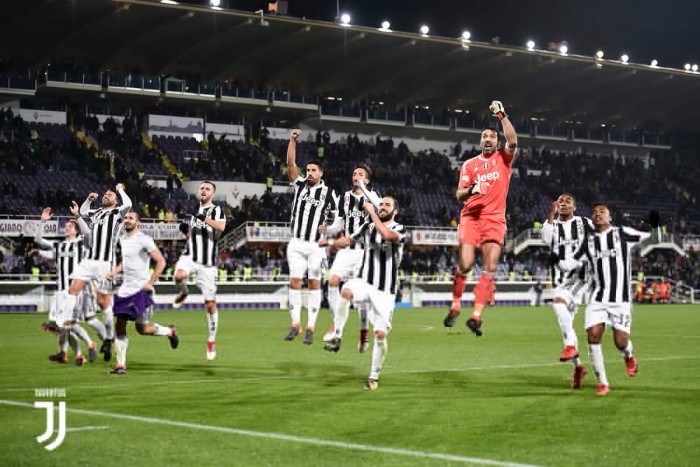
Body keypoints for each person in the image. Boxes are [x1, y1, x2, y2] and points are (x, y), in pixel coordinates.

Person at [560, 205, 659, 396]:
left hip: (620, 300)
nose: (597, 214)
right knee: (593, 336)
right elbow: (570, 262)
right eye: (594, 213)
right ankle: (603, 383)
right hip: (597, 298)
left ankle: (628, 355)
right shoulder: (587, 242)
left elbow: (653, 240)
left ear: (609, 217)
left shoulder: (623, 234)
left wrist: (655, 227)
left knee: (620, 342)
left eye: (601, 212)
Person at [443, 101, 518, 336]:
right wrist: (473, 189)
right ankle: (456, 303)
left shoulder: (504, 160)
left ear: (497, 142)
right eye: (484, 136)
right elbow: (458, 194)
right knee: (465, 264)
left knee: (490, 267)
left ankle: (476, 315)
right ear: (480, 141)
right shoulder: (469, 164)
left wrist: (501, 115)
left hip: (495, 219)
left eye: (492, 137)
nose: (487, 139)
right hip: (471, 217)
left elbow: (513, 141)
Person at [322, 196, 407, 391]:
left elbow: (386, 234)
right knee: (346, 291)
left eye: (387, 205)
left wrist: (371, 212)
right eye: (381, 204)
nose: (383, 207)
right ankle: (337, 334)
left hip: (385, 291)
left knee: (380, 335)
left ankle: (374, 375)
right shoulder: (367, 226)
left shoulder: (400, 229)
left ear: (395, 211)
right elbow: (350, 239)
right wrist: (329, 243)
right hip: (365, 282)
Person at [58, 184, 132, 362]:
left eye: (110, 195)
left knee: (103, 302)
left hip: (105, 262)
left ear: (116, 200)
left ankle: (108, 338)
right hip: (89, 260)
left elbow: (128, 205)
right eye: (105, 194)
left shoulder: (118, 213)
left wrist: (120, 189)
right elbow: (83, 212)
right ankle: (65, 319)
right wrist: (88, 200)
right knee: (72, 289)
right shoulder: (97, 212)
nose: (106, 196)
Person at [283, 129, 339, 344]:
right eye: (307, 170)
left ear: (321, 173)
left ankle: (311, 326)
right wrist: (293, 141)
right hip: (296, 242)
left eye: (313, 170)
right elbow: (290, 165)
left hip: (316, 245)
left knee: (314, 283)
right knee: (295, 282)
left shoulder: (329, 193)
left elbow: (337, 220)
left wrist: (330, 231)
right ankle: (295, 324)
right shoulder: (299, 186)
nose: (309, 173)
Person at [106, 211, 178, 375]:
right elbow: (126, 261)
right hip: (125, 290)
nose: (127, 220)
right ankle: (120, 365)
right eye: (125, 218)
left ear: (137, 222)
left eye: (131, 218)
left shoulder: (144, 240)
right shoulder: (123, 239)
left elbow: (161, 261)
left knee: (143, 329)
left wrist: (150, 283)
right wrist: (115, 271)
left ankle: (169, 331)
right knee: (120, 323)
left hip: (141, 291)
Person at [319, 164, 380, 352]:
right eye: (354, 173)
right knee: (333, 281)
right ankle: (335, 326)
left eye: (361, 174)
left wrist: (363, 188)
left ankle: (364, 334)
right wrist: (326, 229)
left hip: (365, 251)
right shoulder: (344, 197)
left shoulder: (373, 195)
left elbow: (379, 208)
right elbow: (339, 223)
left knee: (359, 297)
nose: (356, 176)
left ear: (367, 180)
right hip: (346, 250)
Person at [33, 204, 98, 366]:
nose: (66, 228)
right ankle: (70, 354)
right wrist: (42, 222)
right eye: (66, 226)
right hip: (61, 291)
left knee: (68, 324)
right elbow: (38, 240)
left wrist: (77, 216)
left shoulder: (81, 244)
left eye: (70, 226)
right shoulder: (59, 245)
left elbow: (89, 234)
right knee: (63, 327)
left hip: (74, 291)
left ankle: (88, 344)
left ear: (76, 231)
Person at [540, 193, 593, 389]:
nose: (563, 204)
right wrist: (550, 214)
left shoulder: (584, 222)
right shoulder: (553, 226)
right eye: (560, 201)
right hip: (561, 279)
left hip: (580, 277)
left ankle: (572, 350)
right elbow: (546, 239)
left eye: (568, 201)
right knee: (566, 325)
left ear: (575, 207)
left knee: (559, 305)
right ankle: (578, 367)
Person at [172, 181, 226, 360]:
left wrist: (204, 218)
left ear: (213, 193)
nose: (203, 190)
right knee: (179, 276)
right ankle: (184, 292)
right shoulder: (194, 212)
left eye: (207, 188)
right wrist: (186, 231)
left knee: (210, 304)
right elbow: (194, 235)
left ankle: (211, 340)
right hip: (190, 256)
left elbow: (221, 227)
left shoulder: (216, 210)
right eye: (202, 188)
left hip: (207, 262)